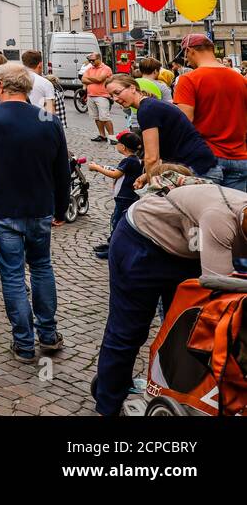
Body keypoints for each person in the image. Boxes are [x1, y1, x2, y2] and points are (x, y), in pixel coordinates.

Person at [94, 174, 247, 416]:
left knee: (187, 330)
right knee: (129, 330)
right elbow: (218, 293)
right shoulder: (220, 219)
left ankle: (174, 390)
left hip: (187, 249)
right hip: (141, 240)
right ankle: (108, 404)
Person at [0, 63, 70, 363]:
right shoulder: (48, 120)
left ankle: (24, 343)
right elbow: (61, 169)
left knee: (12, 275)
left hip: (3, 208)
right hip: (39, 208)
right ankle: (48, 335)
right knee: (41, 267)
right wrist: (60, 207)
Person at [171, 33, 247, 191]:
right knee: (235, 212)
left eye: (186, 55)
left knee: (203, 212)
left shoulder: (189, 79)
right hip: (240, 157)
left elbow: (185, 121)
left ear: (190, 51)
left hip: (205, 157)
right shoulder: (240, 79)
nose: (187, 60)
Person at [106, 75, 216, 180]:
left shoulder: (147, 109)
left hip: (196, 169)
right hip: (200, 165)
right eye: (111, 95)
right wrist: (146, 176)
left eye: (117, 92)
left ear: (132, 88)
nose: (115, 98)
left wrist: (152, 183)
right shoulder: (150, 105)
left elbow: (152, 158)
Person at [87, 131, 143, 259]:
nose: (116, 145)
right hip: (126, 197)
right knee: (116, 220)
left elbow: (115, 174)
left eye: (118, 143)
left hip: (124, 197)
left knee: (117, 222)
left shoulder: (129, 161)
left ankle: (113, 249)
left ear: (123, 147)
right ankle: (110, 243)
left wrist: (97, 168)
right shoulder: (134, 160)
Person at [81, 52, 115, 142]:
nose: (91, 62)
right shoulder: (90, 68)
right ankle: (102, 135)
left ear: (99, 59)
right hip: (90, 95)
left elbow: (100, 79)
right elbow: (83, 79)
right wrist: (95, 79)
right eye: (89, 60)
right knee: (96, 117)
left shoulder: (106, 68)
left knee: (105, 117)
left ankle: (112, 137)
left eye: (93, 60)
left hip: (102, 96)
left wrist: (90, 78)